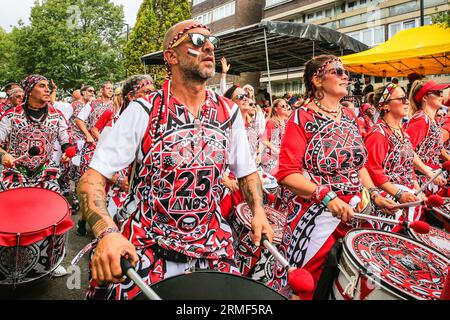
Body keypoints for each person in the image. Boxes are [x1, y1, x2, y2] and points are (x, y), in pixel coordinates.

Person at [76, 20, 274, 300]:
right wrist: (108, 233)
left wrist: (258, 213)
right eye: (195, 40)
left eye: (211, 42)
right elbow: (91, 180)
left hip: (211, 246)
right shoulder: (143, 110)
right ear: (170, 56)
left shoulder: (229, 112)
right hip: (146, 246)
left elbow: (247, 172)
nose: (208, 47)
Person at [270, 55, 397, 299]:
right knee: (306, 287)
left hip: (355, 211)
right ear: (317, 80)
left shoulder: (350, 117)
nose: (345, 76)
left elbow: (358, 164)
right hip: (317, 216)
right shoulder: (301, 118)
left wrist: (374, 193)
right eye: (337, 71)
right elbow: (286, 174)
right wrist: (327, 197)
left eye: (345, 72)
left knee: (357, 283)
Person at [364, 83, 446, 232]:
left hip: (406, 199)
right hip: (389, 204)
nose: (406, 101)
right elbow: (372, 171)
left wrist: (417, 190)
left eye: (406, 98)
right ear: (386, 106)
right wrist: (399, 193)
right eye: (401, 99)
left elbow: (408, 167)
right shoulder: (378, 134)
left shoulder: (403, 133)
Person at [404, 79, 450, 195]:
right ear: (424, 98)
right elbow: (407, 151)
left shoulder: (431, 119)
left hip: (432, 178)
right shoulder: (420, 120)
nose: (441, 95)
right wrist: (427, 174)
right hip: (422, 181)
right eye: (436, 93)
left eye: (441, 93)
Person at [259, 99, 290, 175]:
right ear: (276, 109)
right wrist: (277, 150)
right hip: (272, 159)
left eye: (286, 105)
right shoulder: (272, 122)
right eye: (283, 106)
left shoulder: (287, 122)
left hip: (284, 157)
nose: (286, 107)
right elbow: (265, 140)